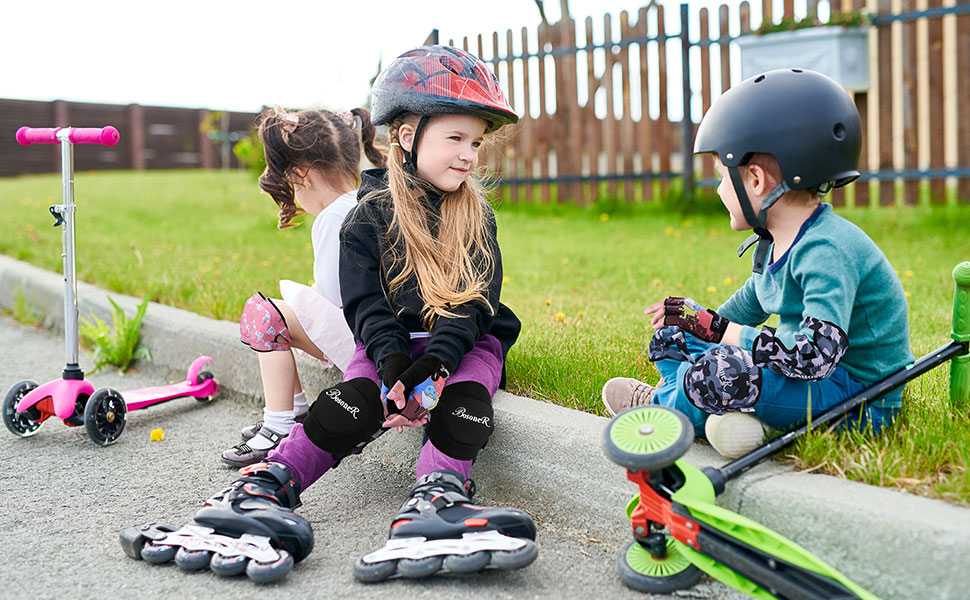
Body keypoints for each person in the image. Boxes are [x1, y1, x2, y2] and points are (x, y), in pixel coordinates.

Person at [127, 46, 536, 583]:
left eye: (476, 142)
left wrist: (436, 364)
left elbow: (474, 302)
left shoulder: (476, 216)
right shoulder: (366, 216)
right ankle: (266, 485)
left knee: (467, 393)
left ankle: (437, 497)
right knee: (357, 400)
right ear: (408, 138)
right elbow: (366, 304)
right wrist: (391, 365)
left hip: (462, 341)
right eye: (455, 139)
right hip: (389, 340)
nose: (468, 156)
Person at [602, 69, 914, 459]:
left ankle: (671, 409)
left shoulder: (827, 251)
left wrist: (717, 330)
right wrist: (697, 323)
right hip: (813, 382)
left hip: (856, 398)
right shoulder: (776, 242)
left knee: (723, 367)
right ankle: (696, 399)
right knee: (677, 335)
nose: (718, 190)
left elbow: (813, 357)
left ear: (754, 180)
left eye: (721, 177)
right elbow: (740, 311)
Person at [225, 106, 386, 467]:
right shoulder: (372, 201)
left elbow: (334, 296)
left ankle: (280, 423)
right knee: (284, 314)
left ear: (303, 175)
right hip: (383, 335)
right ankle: (293, 411)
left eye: (292, 184)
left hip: (360, 340)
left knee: (263, 314)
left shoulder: (334, 217)